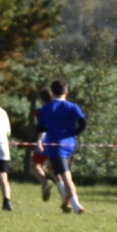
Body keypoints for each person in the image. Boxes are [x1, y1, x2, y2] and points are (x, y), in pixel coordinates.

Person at [37, 79, 86, 215]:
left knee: (65, 176)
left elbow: (40, 127)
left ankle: (75, 204)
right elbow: (82, 123)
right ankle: (65, 195)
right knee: (51, 167)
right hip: (69, 143)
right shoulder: (73, 106)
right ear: (67, 92)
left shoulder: (45, 108)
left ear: (51, 92)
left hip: (54, 145)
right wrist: (73, 133)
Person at [31, 87, 59, 202]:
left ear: (42, 99)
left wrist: (39, 141)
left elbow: (43, 128)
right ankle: (64, 190)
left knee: (34, 165)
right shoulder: (58, 110)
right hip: (57, 142)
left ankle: (44, 182)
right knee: (52, 168)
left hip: (44, 142)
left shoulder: (40, 111)